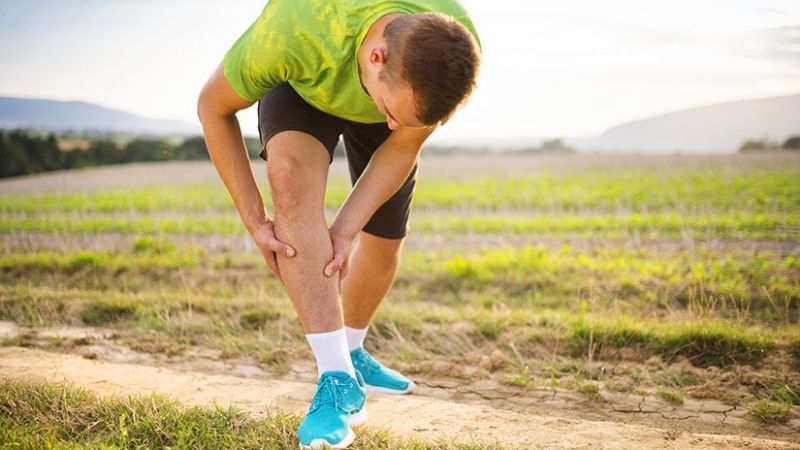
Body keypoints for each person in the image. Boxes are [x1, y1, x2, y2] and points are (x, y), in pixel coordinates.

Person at [197, 1, 480, 448]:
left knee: (383, 240)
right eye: (392, 110)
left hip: (390, 91)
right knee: (289, 178)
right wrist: (254, 218)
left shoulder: (453, 44)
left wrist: (345, 229)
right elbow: (212, 107)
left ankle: (351, 349)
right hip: (306, 84)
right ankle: (337, 379)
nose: (390, 123)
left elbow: (402, 140)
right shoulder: (294, 30)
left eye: (399, 119)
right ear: (376, 57)